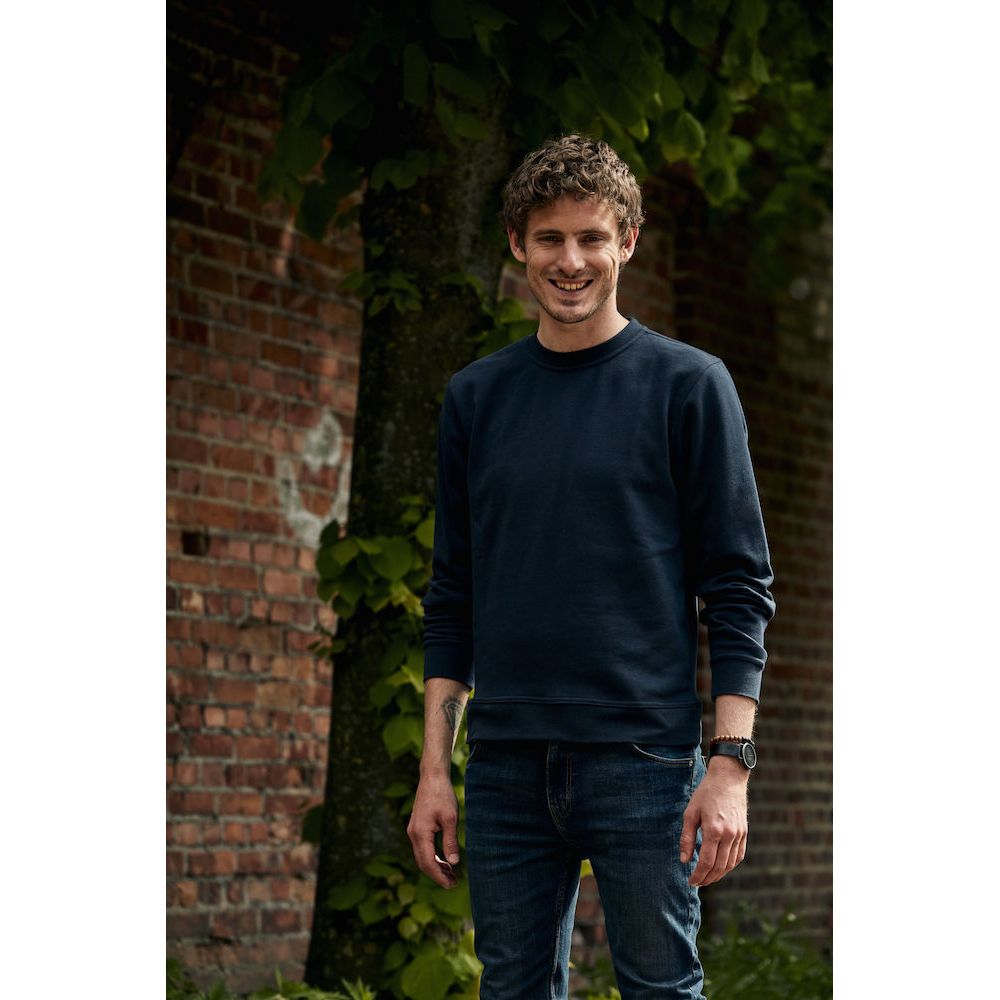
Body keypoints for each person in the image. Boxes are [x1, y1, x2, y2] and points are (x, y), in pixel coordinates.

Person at [407, 134, 776, 1000]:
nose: (570, 261)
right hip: (505, 762)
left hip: (644, 758)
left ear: (627, 242)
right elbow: (453, 594)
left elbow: (737, 587)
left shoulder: (690, 386)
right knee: (512, 990)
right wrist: (434, 772)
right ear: (517, 244)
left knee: (661, 988)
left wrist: (729, 765)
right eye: (549, 238)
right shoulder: (476, 398)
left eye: (591, 238)